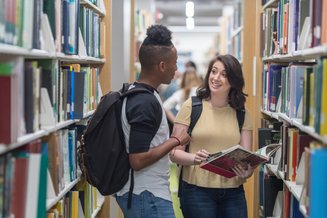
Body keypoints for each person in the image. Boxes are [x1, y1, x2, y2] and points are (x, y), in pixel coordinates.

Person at [115, 24, 191, 218]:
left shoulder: (140, 92)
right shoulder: (144, 102)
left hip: (145, 195)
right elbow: (137, 160)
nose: (176, 69)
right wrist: (175, 141)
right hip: (147, 196)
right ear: (162, 65)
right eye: (174, 63)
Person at [170, 54, 254, 218]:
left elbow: (246, 156)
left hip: (233, 193)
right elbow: (173, 153)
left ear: (233, 80)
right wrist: (194, 158)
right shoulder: (192, 106)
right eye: (213, 72)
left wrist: (247, 172)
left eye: (224, 74)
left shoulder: (242, 113)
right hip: (196, 192)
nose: (216, 78)